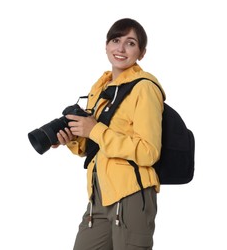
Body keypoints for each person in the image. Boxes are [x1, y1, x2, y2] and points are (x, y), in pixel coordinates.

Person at [53, 18, 165, 250]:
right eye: (116, 40)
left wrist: (95, 129)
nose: (121, 48)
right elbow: (92, 146)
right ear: (106, 45)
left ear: (141, 53)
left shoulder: (144, 88)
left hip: (132, 195)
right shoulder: (101, 88)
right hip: (99, 197)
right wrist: (71, 139)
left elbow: (149, 151)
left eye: (131, 43)